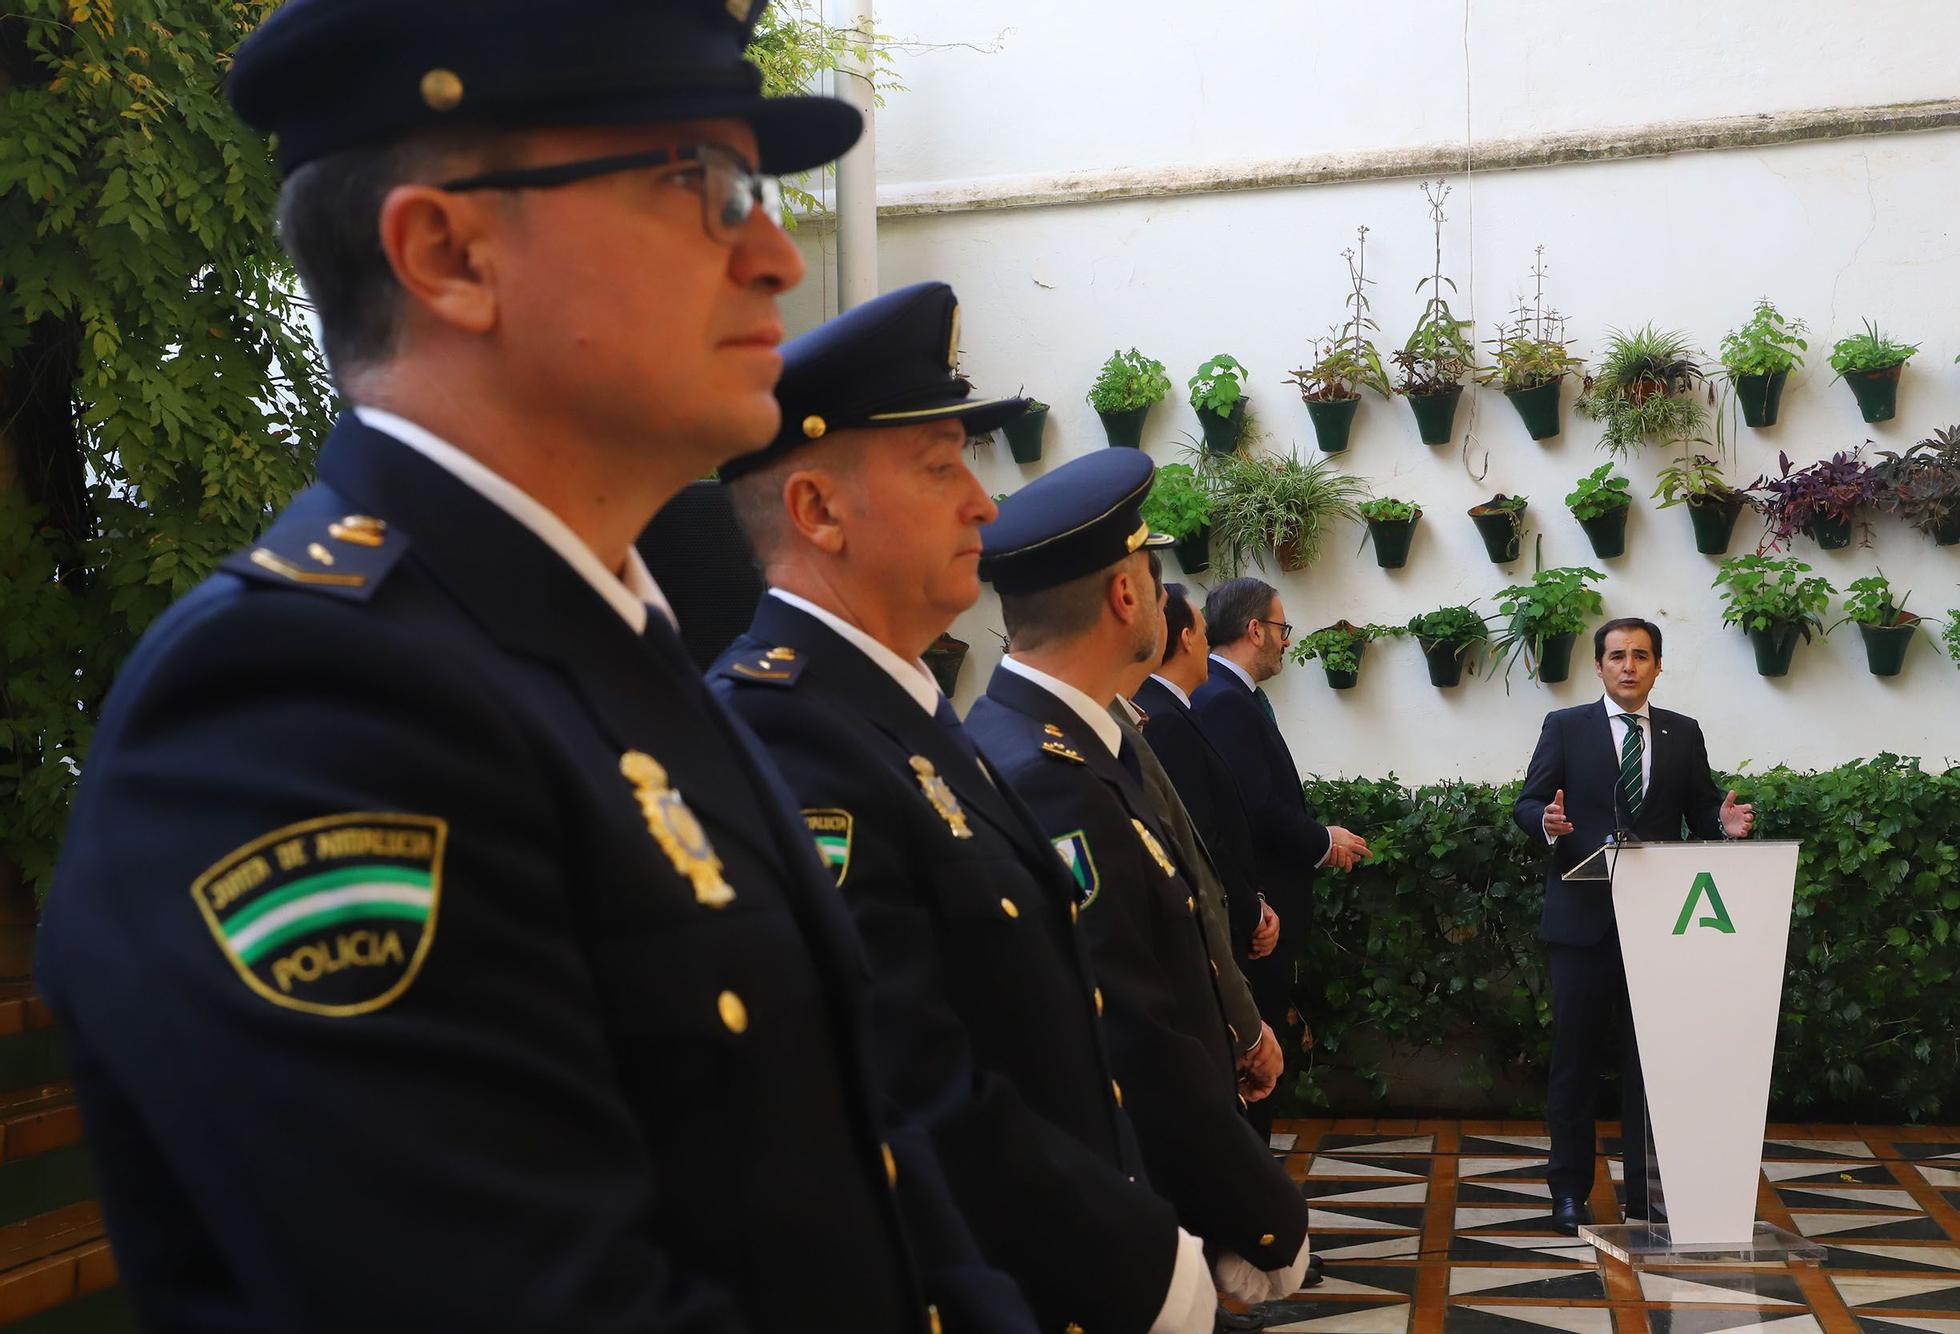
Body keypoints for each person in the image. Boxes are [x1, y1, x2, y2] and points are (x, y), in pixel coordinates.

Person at [34, 4, 1027, 1329]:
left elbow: (876, 1166)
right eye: (714, 191)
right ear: (447, 253)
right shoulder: (297, 707)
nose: (780, 259)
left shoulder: (613, 645)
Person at [709, 281, 1216, 1334]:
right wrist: (1135, 1263)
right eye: (940, 466)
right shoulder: (785, 726)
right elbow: (907, 1080)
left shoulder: (911, 710)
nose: (982, 502)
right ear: (816, 509)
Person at [965, 450, 1310, 1312]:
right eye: (1157, 587)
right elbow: (1126, 1021)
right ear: (1126, 596)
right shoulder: (1046, 768)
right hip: (1128, 1207)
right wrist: (1263, 1210)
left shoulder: (1076, 739)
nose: (1166, 607)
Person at [1511, 617, 1755, 1235]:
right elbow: (1528, 801)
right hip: (1582, 923)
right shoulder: (1565, 727)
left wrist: (1719, 823)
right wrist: (1548, 822)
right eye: (1616, 655)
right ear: (1598, 666)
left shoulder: (1682, 733)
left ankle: (1644, 1193)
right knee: (1574, 1061)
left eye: (1640, 656)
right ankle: (1568, 1191)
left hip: (1662, 928)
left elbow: (1700, 808)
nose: (1628, 666)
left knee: (1653, 1064)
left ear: (1657, 667)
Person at [1192, 577, 1369, 1129]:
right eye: (1282, 628)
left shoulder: (1231, 695)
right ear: (1254, 630)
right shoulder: (1223, 698)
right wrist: (1323, 843)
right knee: (1254, 1069)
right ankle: (1256, 1212)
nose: (1287, 641)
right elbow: (1253, 807)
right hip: (1255, 916)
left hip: (1262, 911)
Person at [1129, 584, 1283, 1107]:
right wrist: (1250, 906)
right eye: (1200, 631)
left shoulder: (1178, 710)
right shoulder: (1164, 719)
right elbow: (1201, 839)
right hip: (1223, 931)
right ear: (1187, 637)